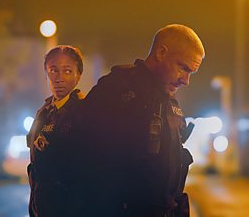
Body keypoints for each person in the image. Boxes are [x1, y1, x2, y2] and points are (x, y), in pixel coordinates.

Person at [81, 24, 205, 217]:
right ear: (161, 53)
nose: (186, 80)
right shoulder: (116, 88)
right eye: (183, 68)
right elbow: (82, 157)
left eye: (191, 73)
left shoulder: (169, 100)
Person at [26, 45, 85, 217]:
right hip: (42, 207)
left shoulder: (84, 112)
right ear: (46, 74)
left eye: (67, 71)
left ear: (78, 75)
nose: (59, 78)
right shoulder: (43, 112)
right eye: (53, 70)